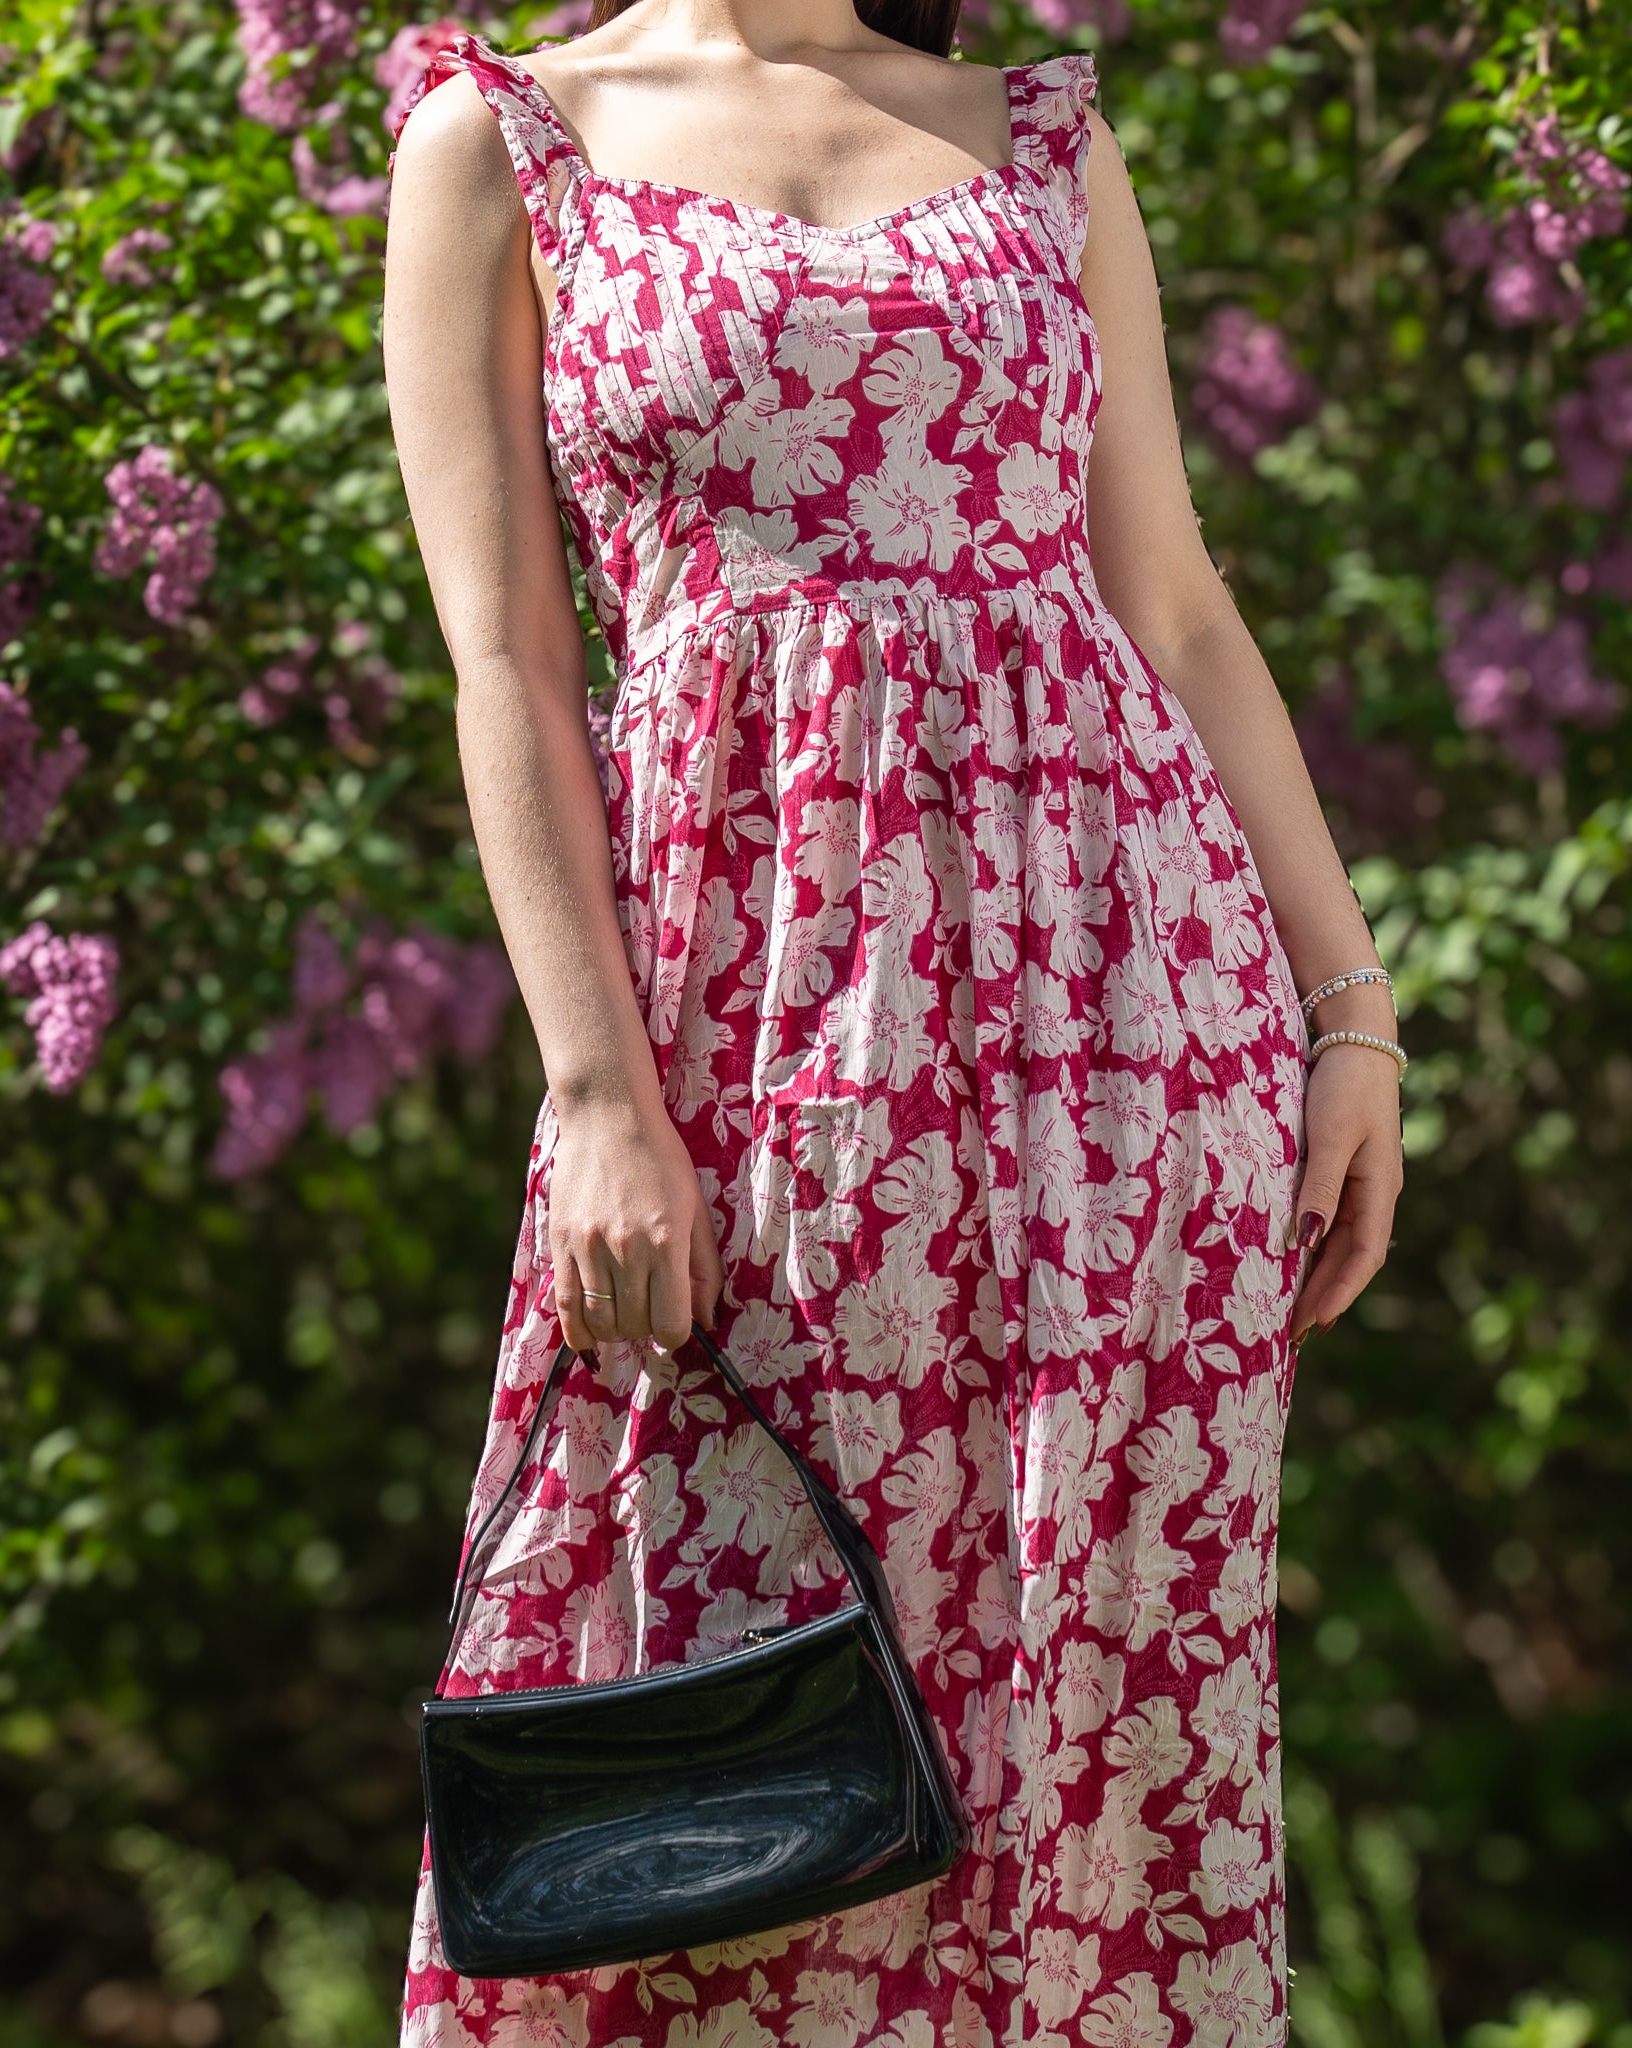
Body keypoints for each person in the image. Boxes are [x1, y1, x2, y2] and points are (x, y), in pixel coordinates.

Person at [382, 0, 1405, 2037]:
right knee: (750, 1640)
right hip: (752, 1021)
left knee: (1107, 1672)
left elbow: (1174, 606)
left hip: (1135, 1019)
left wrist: (1348, 1007)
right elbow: (506, 663)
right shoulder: (502, 143)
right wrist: (598, 1096)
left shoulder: (1039, 135)